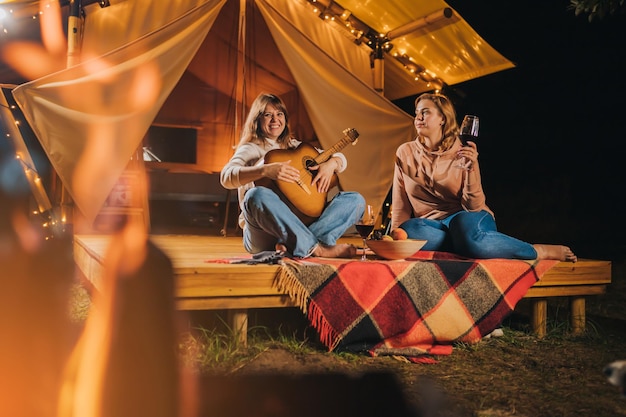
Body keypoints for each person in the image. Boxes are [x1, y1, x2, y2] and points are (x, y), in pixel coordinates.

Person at [390, 92, 577, 262]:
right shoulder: (405, 152)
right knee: (409, 230)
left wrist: (471, 168)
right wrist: (394, 239)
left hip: (466, 218)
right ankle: (467, 245)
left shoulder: (462, 151)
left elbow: (474, 206)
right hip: (431, 227)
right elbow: (401, 202)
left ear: (442, 118)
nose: (419, 118)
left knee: (464, 232)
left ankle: (537, 251)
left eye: (426, 112)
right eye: (417, 113)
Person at [220, 93, 364, 258]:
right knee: (255, 194)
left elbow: (340, 159)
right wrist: (264, 170)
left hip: (300, 224)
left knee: (355, 200)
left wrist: (331, 164)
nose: (275, 120)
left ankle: (297, 244)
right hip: (263, 233)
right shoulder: (250, 149)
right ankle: (317, 248)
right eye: (268, 115)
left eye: (279, 114)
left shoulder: (296, 147)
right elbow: (225, 177)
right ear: (257, 120)